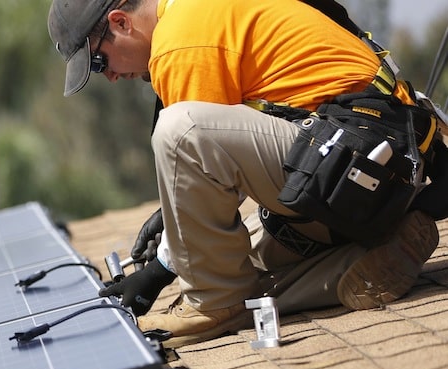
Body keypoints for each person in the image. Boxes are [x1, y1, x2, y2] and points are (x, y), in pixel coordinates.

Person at [47, 0, 445, 348]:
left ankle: (214, 305)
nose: (110, 76)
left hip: (359, 168)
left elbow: (194, 145)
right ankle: (362, 263)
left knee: (179, 130)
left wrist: (160, 269)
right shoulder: (194, 10)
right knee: (243, 256)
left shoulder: (179, 43)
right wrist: (173, 220)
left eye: (99, 62)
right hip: (378, 168)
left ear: (120, 22)